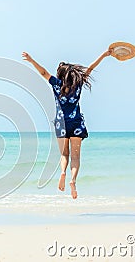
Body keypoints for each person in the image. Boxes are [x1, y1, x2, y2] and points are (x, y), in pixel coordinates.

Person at [22, 49, 111, 199]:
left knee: (64, 154)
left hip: (61, 125)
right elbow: (90, 68)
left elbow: (43, 72)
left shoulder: (56, 84)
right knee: (76, 157)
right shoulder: (78, 84)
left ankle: (63, 172)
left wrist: (31, 60)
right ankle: (73, 181)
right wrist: (104, 55)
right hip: (76, 124)